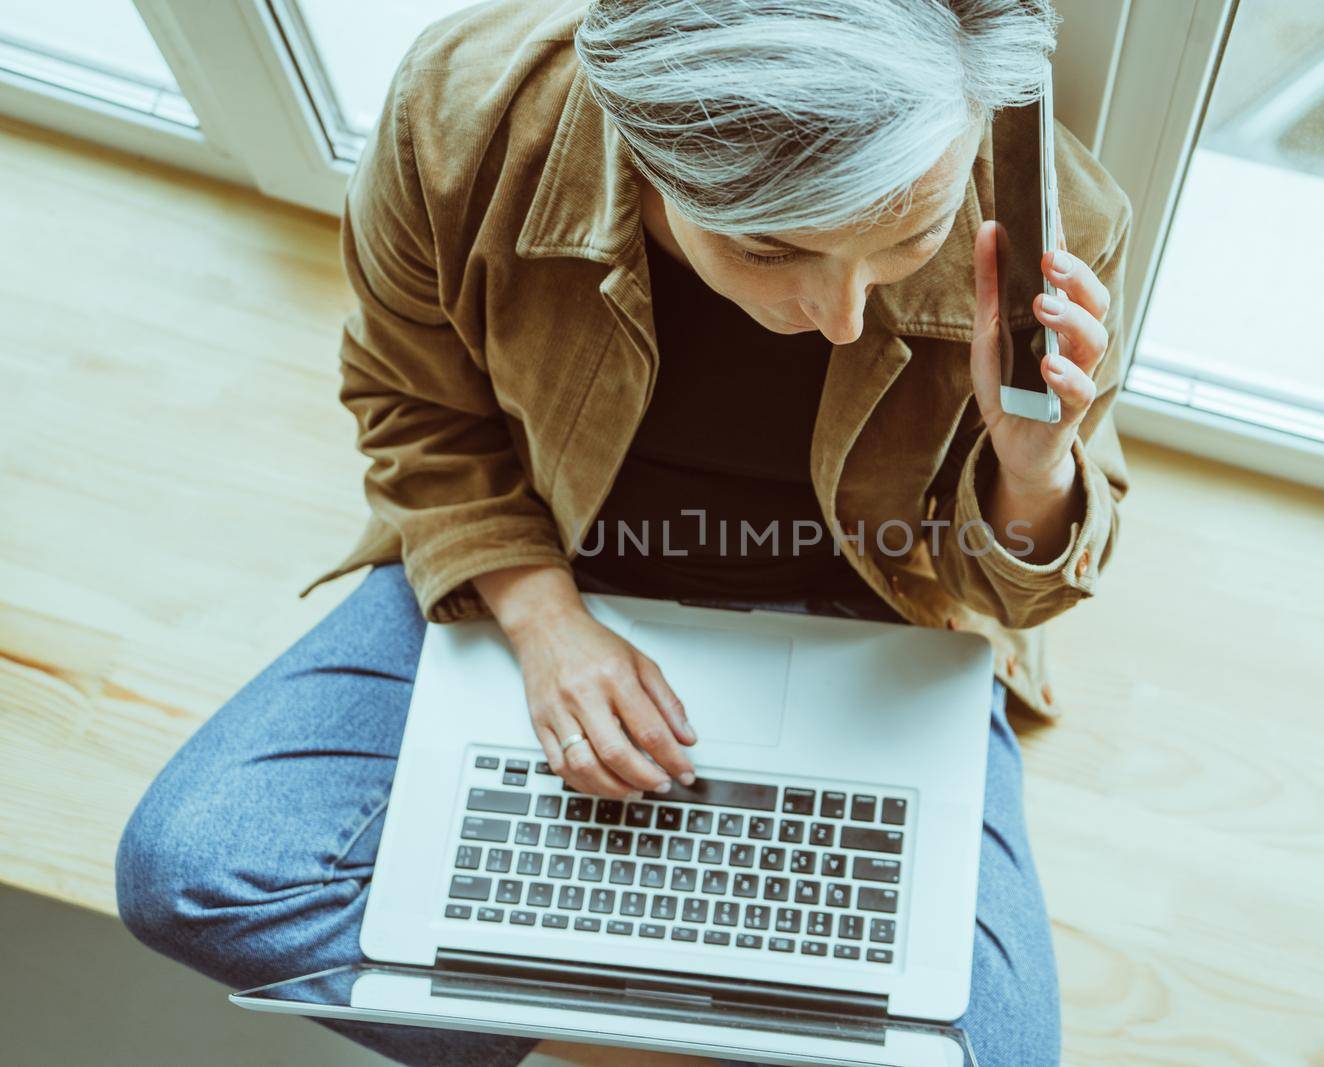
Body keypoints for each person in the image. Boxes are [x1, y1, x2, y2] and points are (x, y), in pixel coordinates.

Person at [115, 1, 1132, 1065]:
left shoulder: (1052, 227)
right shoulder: (465, 116)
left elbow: (1015, 594)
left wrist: (1036, 466)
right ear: (642, 151)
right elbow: (409, 403)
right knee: (193, 869)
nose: (838, 313)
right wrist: (543, 617)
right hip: (544, 544)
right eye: (771, 248)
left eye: (906, 240)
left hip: (878, 612)